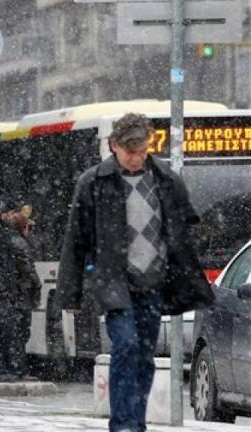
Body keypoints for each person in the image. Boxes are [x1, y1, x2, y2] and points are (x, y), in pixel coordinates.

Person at [57, 113, 214, 432]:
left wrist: (186, 272)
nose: (136, 157)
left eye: (141, 150)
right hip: (115, 282)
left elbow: (184, 229)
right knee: (126, 344)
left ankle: (136, 422)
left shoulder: (165, 179)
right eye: (130, 151)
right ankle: (122, 424)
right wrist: (70, 293)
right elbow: (76, 240)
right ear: (114, 146)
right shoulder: (94, 182)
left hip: (154, 282)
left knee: (143, 355)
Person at [0, 199, 41, 382]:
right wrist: (35, 286)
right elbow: (26, 268)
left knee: (2, 330)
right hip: (11, 292)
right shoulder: (11, 239)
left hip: (2, 290)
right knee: (15, 331)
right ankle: (12, 369)